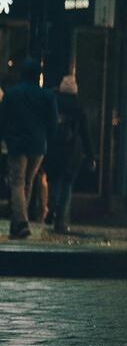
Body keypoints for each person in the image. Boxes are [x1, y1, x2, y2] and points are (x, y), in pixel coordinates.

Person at [1, 56, 59, 239]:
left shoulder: (11, 94)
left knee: (17, 182)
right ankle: (17, 224)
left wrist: (6, 138)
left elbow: (3, 119)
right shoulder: (47, 96)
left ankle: (22, 221)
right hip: (37, 144)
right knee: (27, 182)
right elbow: (53, 123)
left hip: (17, 143)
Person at [46, 73, 95, 236]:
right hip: (72, 153)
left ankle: (51, 208)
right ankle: (60, 220)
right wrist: (90, 156)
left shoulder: (53, 102)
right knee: (67, 186)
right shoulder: (79, 107)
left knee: (54, 183)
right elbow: (85, 134)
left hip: (53, 150)